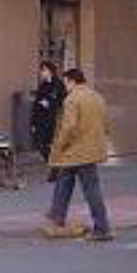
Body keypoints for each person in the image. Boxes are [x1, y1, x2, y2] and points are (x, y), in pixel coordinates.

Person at [45, 69, 113, 242]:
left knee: (76, 186)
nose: (65, 87)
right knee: (69, 183)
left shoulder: (72, 99)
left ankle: (101, 227)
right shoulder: (98, 97)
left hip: (74, 151)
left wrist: (59, 146)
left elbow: (69, 127)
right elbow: (106, 124)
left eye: (66, 82)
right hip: (92, 150)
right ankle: (57, 216)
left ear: (72, 81)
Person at [31, 61, 67, 162]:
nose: (41, 73)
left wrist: (50, 105)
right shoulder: (42, 85)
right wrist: (33, 122)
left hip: (52, 119)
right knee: (40, 144)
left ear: (50, 71)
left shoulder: (58, 84)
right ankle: (52, 162)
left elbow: (63, 102)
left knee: (50, 143)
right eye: (41, 70)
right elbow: (36, 105)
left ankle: (54, 164)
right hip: (40, 119)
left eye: (43, 70)